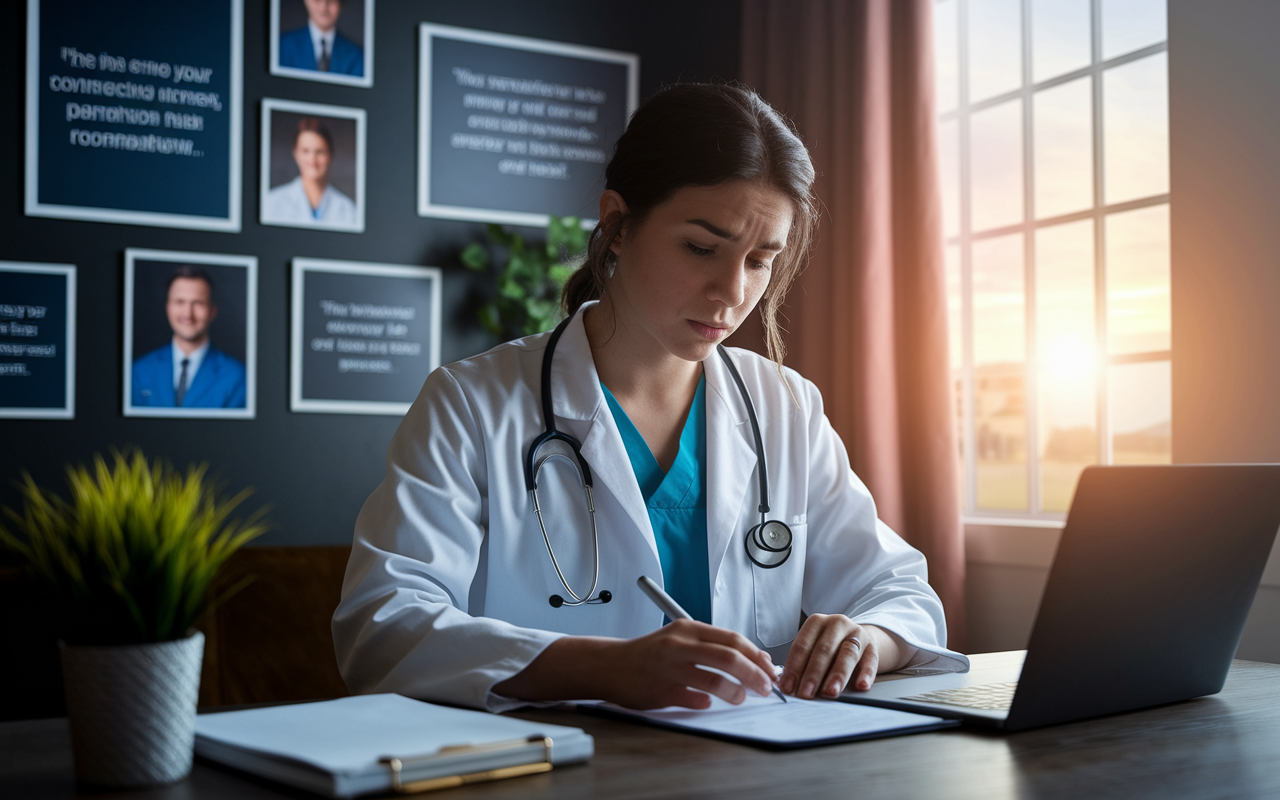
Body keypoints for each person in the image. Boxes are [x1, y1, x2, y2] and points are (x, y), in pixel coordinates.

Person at [333, 83, 967, 713]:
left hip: (749, 767)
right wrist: (604, 668)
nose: (731, 291)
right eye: (701, 247)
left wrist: (868, 639)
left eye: (759, 261)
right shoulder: (471, 405)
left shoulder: (786, 408)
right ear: (616, 223)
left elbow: (898, 589)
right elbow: (383, 627)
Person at [132, 266, 246, 409]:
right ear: (168, 307)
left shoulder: (238, 377)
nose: (188, 314)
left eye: (197, 303)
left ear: (212, 311)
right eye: (180, 302)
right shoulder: (138, 371)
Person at [262, 118, 358, 228]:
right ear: (296, 154)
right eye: (305, 151)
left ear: (330, 155)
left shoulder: (347, 209)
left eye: (320, 152)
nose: (312, 159)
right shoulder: (271, 203)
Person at [278, 0, 364, 77]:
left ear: (340, 3)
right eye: (317, 0)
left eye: (331, 1)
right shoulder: (283, 46)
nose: (323, 7)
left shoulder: (356, 56)